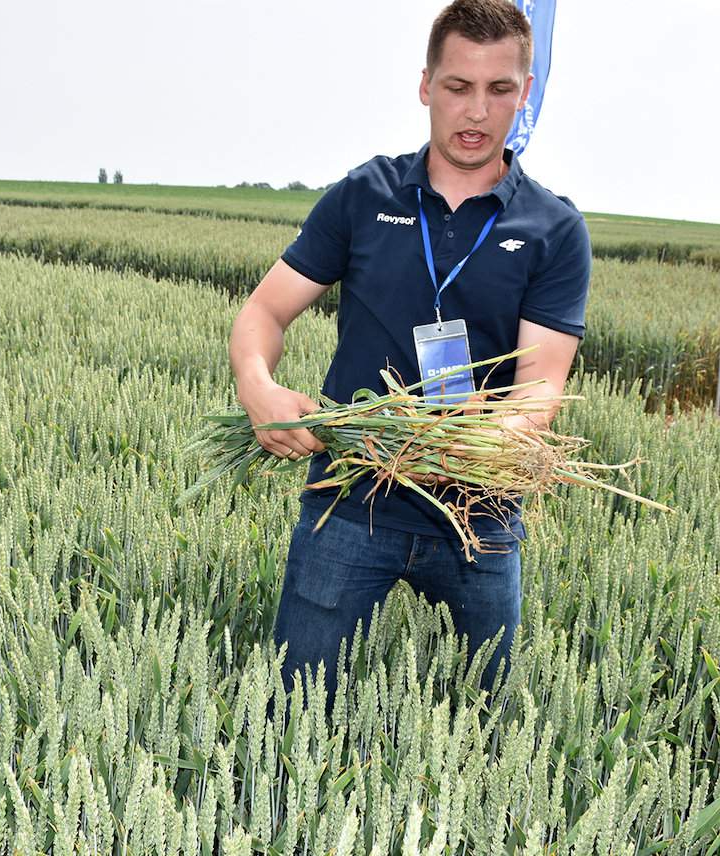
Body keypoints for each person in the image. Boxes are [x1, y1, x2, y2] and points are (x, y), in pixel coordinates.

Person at [228, 0, 591, 713]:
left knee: (489, 723)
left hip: (478, 519)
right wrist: (258, 387)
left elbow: (542, 386)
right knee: (292, 714)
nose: (477, 112)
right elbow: (264, 312)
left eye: (499, 90)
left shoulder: (553, 229)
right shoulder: (366, 196)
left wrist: (481, 439)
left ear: (526, 90)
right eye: (458, 86)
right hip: (349, 503)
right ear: (425, 85)